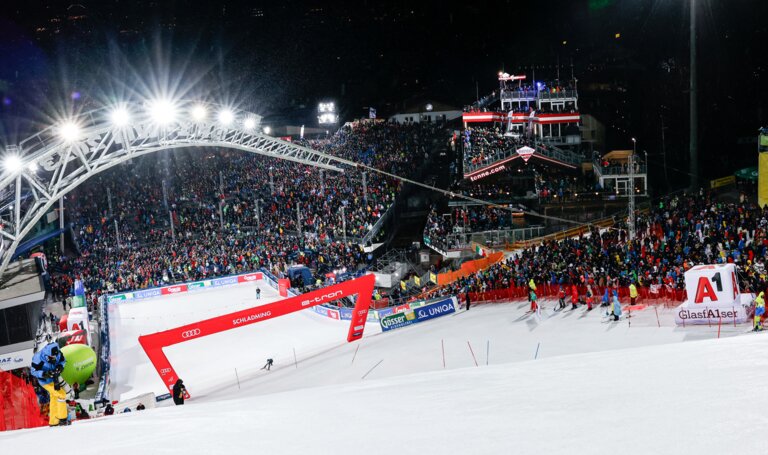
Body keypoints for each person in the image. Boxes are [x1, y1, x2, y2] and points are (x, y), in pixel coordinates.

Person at [30, 342, 68, 426]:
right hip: (45, 381)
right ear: (46, 354)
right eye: (51, 357)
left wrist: (60, 367)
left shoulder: (58, 354)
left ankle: (54, 421)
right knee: (61, 394)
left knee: (54, 397)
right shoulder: (38, 358)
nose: (54, 358)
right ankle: (62, 419)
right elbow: (33, 371)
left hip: (55, 378)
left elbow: (63, 361)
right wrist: (44, 374)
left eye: (55, 356)